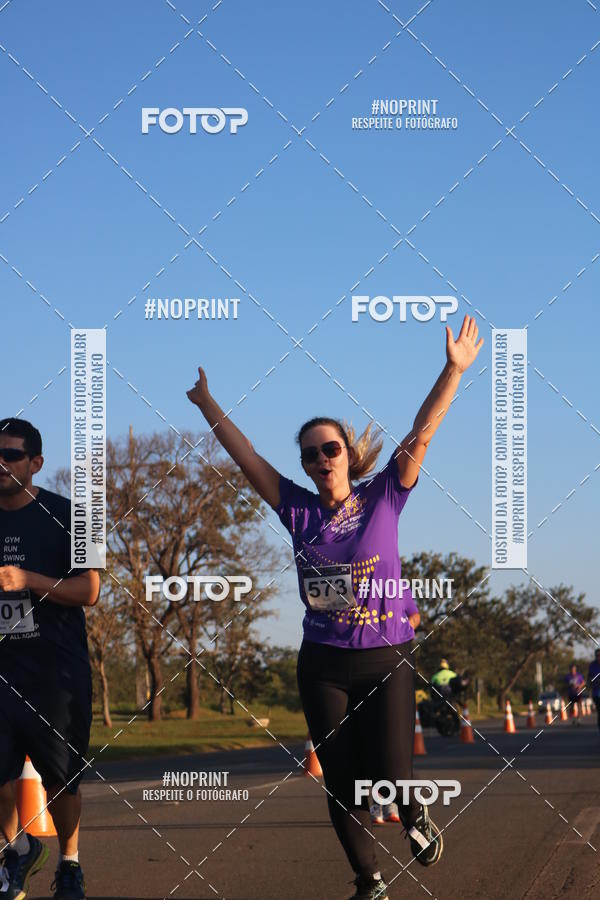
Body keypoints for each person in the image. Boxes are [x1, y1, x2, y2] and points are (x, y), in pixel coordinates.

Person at [187, 315, 483, 900]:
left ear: (348, 453)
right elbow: (244, 454)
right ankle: (368, 882)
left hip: (387, 656)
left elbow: (423, 432)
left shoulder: (385, 495)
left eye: (330, 448)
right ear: (304, 465)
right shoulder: (295, 509)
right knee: (343, 782)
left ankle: (414, 814)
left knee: (396, 778)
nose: (322, 459)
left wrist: (453, 370)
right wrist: (206, 403)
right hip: (322, 662)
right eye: (310, 454)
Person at [0, 419, 99, 900]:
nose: (1, 463)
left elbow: (91, 591)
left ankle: (69, 863)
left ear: (36, 463)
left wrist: (29, 581)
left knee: (61, 777)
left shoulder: (75, 517)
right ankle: (15, 851)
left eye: (11, 455)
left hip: (55, 672)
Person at [587, 649, 600, 731]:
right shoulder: (592, 665)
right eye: (597, 656)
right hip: (596, 693)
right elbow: (589, 678)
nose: (599, 657)